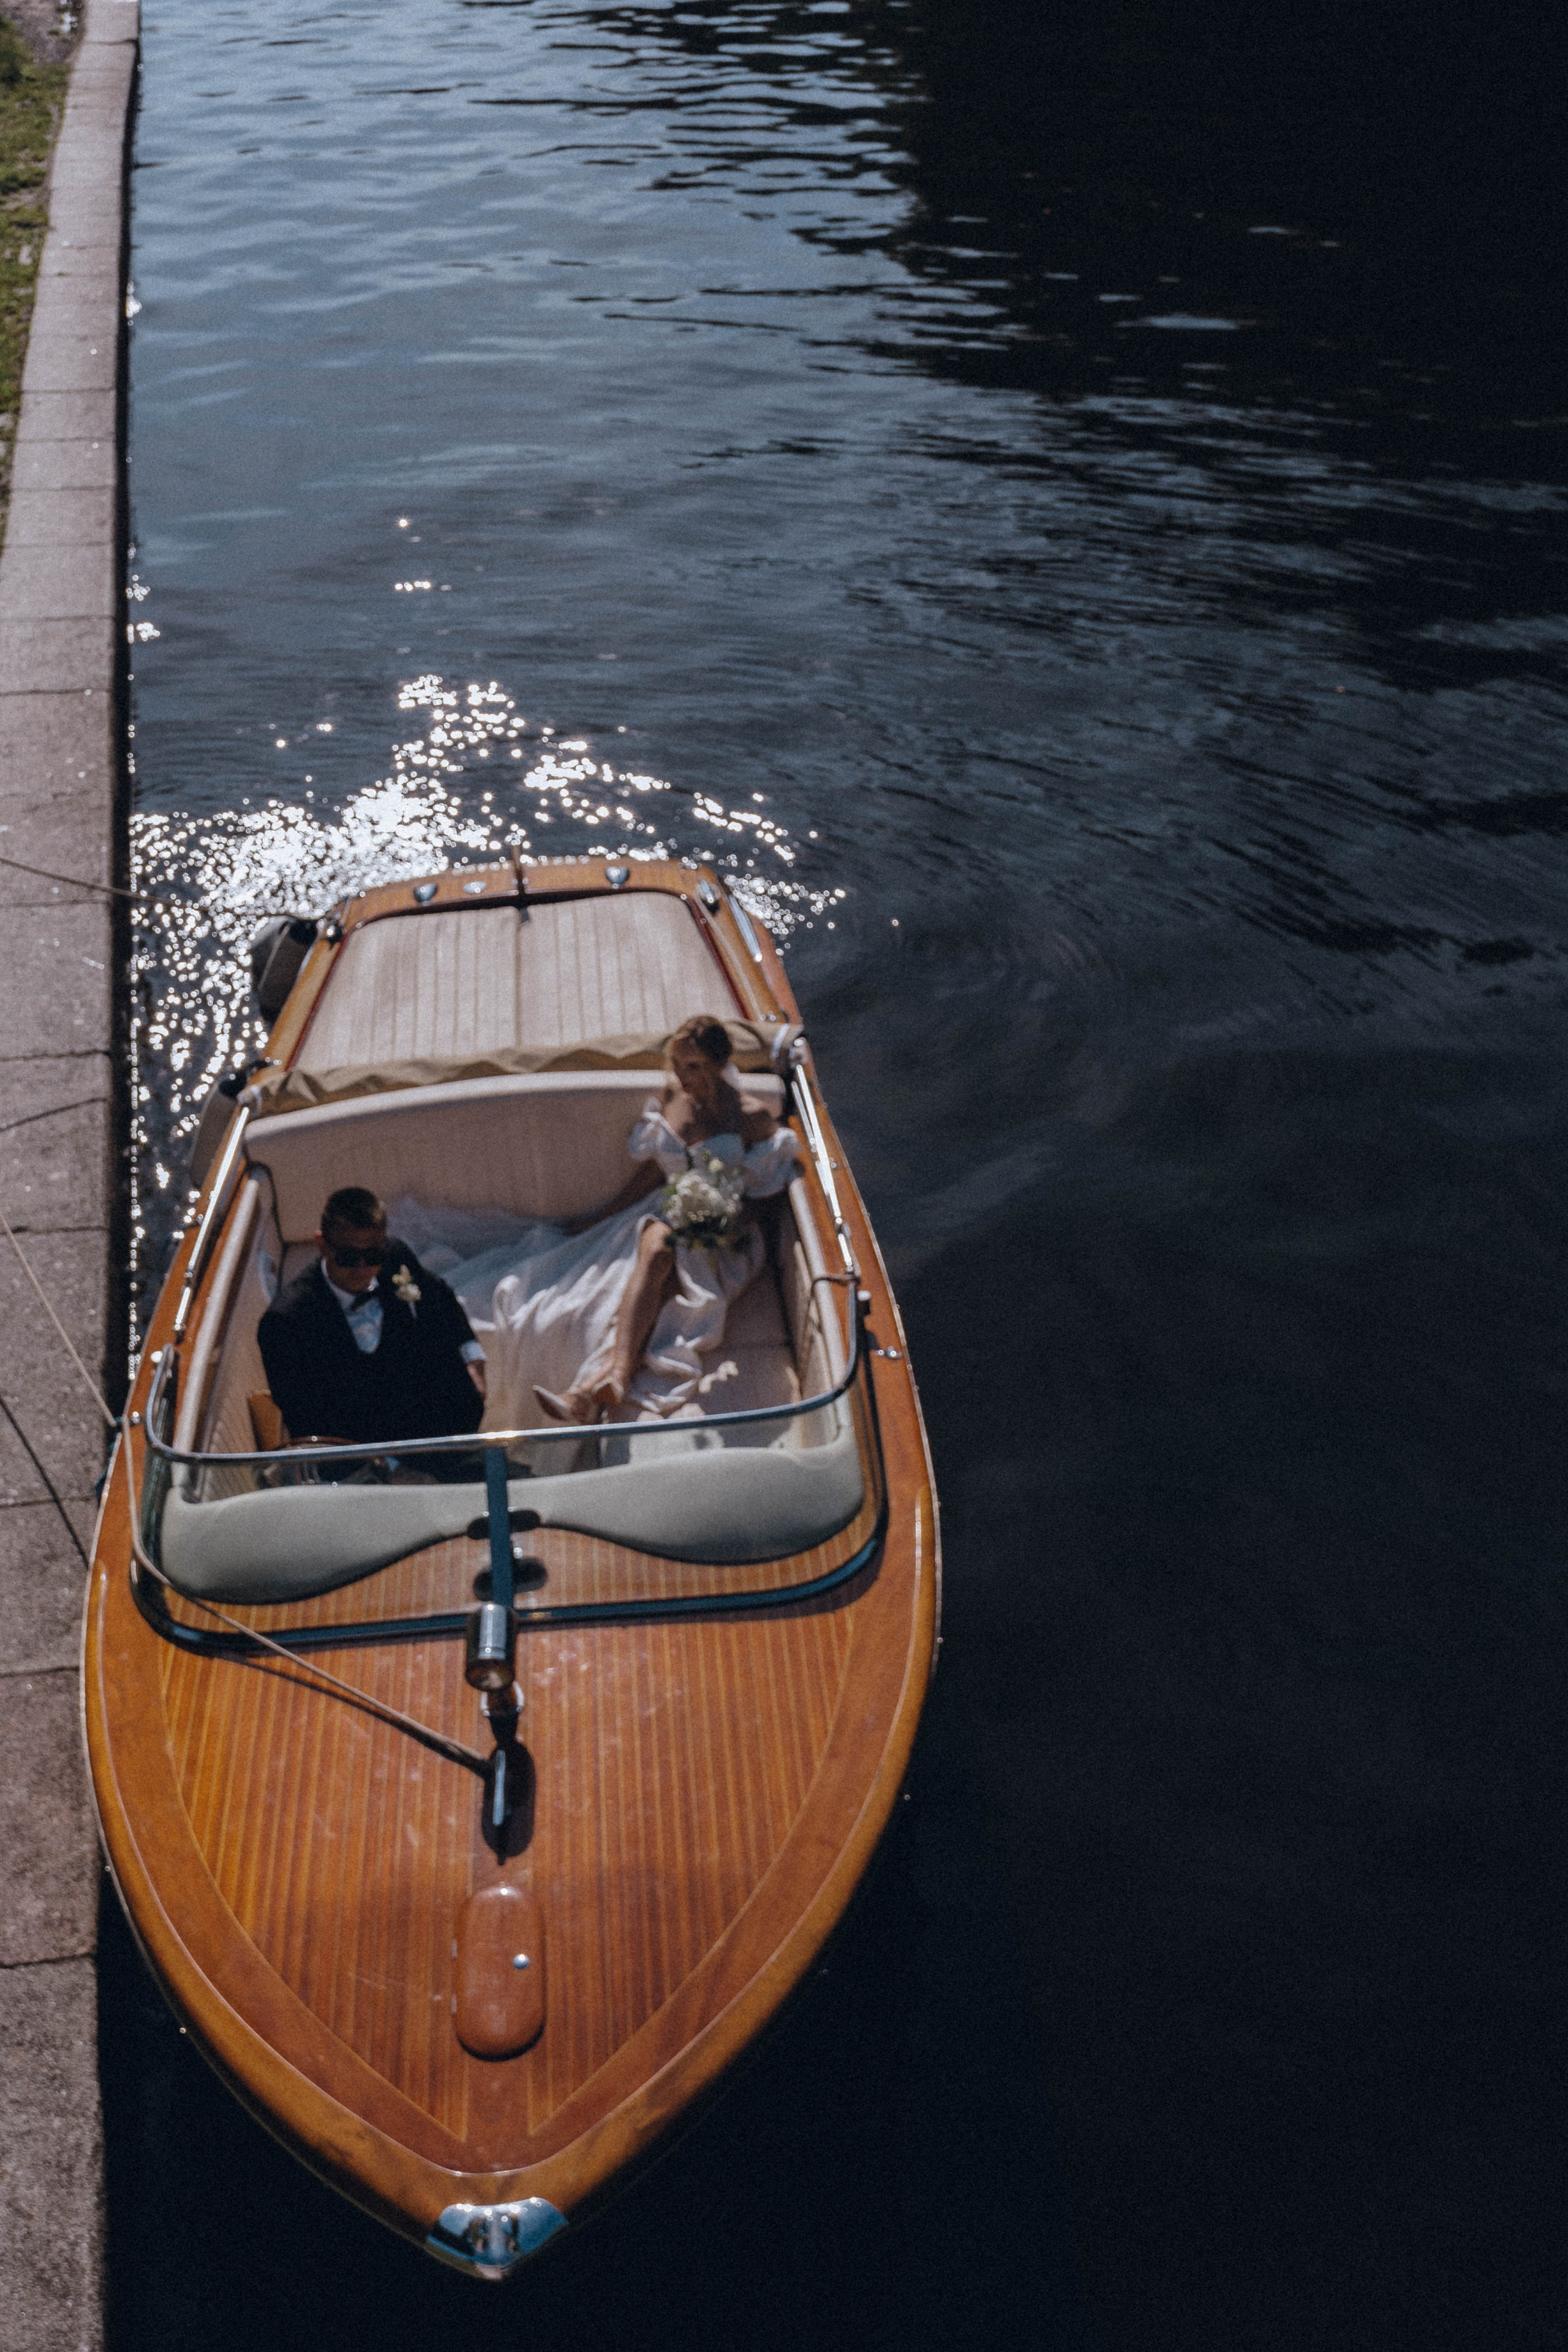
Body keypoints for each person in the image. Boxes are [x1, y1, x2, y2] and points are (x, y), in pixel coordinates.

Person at [454, 1014, 799, 1431]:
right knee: (656, 1257)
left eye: (693, 1066)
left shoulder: (751, 1116)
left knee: (663, 1273)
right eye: (676, 1063)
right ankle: (598, 1388)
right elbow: (656, 1171)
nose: (682, 1075)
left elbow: (768, 1191)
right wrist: (603, 1215)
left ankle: (593, 1388)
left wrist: (726, 1220)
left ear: (718, 1063)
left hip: (725, 1233)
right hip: (666, 1210)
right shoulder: (674, 1096)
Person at [257, 1185, 488, 1475]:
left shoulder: (395, 1257)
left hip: (433, 1435)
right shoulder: (285, 1324)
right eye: (349, 1257)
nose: (363, 1268)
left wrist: (472, 1358)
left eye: (374, 1255)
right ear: (322, 1244)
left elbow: (439, 1296)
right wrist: (389, 1468)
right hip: (358, 1466)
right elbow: (309, 1420)